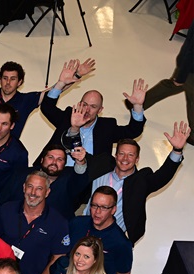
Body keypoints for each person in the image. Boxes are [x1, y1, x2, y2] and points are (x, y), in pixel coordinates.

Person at [0, 28, 96, 137]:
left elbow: (54, 91)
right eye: (5, 78)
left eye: (13, 79)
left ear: (20, 82)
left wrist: (74, 76)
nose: (8, 82)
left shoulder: (26, 100)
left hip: (10, 151)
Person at [87, 122, 189, 245]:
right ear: (115, 156)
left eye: (131, 155)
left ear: (137, 159)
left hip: (112, 239)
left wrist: (177, 150)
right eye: (121, 154)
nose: (125, 159)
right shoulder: (100, 168)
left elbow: (162, 176)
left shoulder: (141, 181)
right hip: (84, 229)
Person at [40, 63, 146, 168]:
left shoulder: (107, 127)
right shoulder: (68, 117)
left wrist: (137, 106)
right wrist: (61, 83)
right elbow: (47, 107)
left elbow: (134, 131)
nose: (87, 110)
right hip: (55, 174)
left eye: (93, 106)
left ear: (100, 110)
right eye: (84, 104)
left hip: (89, 180)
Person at [0, 171, 70, 274]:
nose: (33, 193)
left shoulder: (58, 222)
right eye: (30, 186)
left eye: (39, 189)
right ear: (24, 187)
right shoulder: (6, 210)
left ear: (47, 192)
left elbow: (58, 257)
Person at [140, 17, 194, 145]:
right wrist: (181, 76)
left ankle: (140, 102)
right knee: (190, 98)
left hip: (187, 65)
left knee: (173, 85)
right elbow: (191, 50)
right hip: (190, 68)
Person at [9, 142, 90, 219]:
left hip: (56, 229)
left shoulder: (69, 178)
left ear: (64, 164)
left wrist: (80, 162)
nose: (54, 162)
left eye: (60, 159)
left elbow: (80, 177)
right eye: (50, 157)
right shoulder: (23, 175)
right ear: (42, 160)